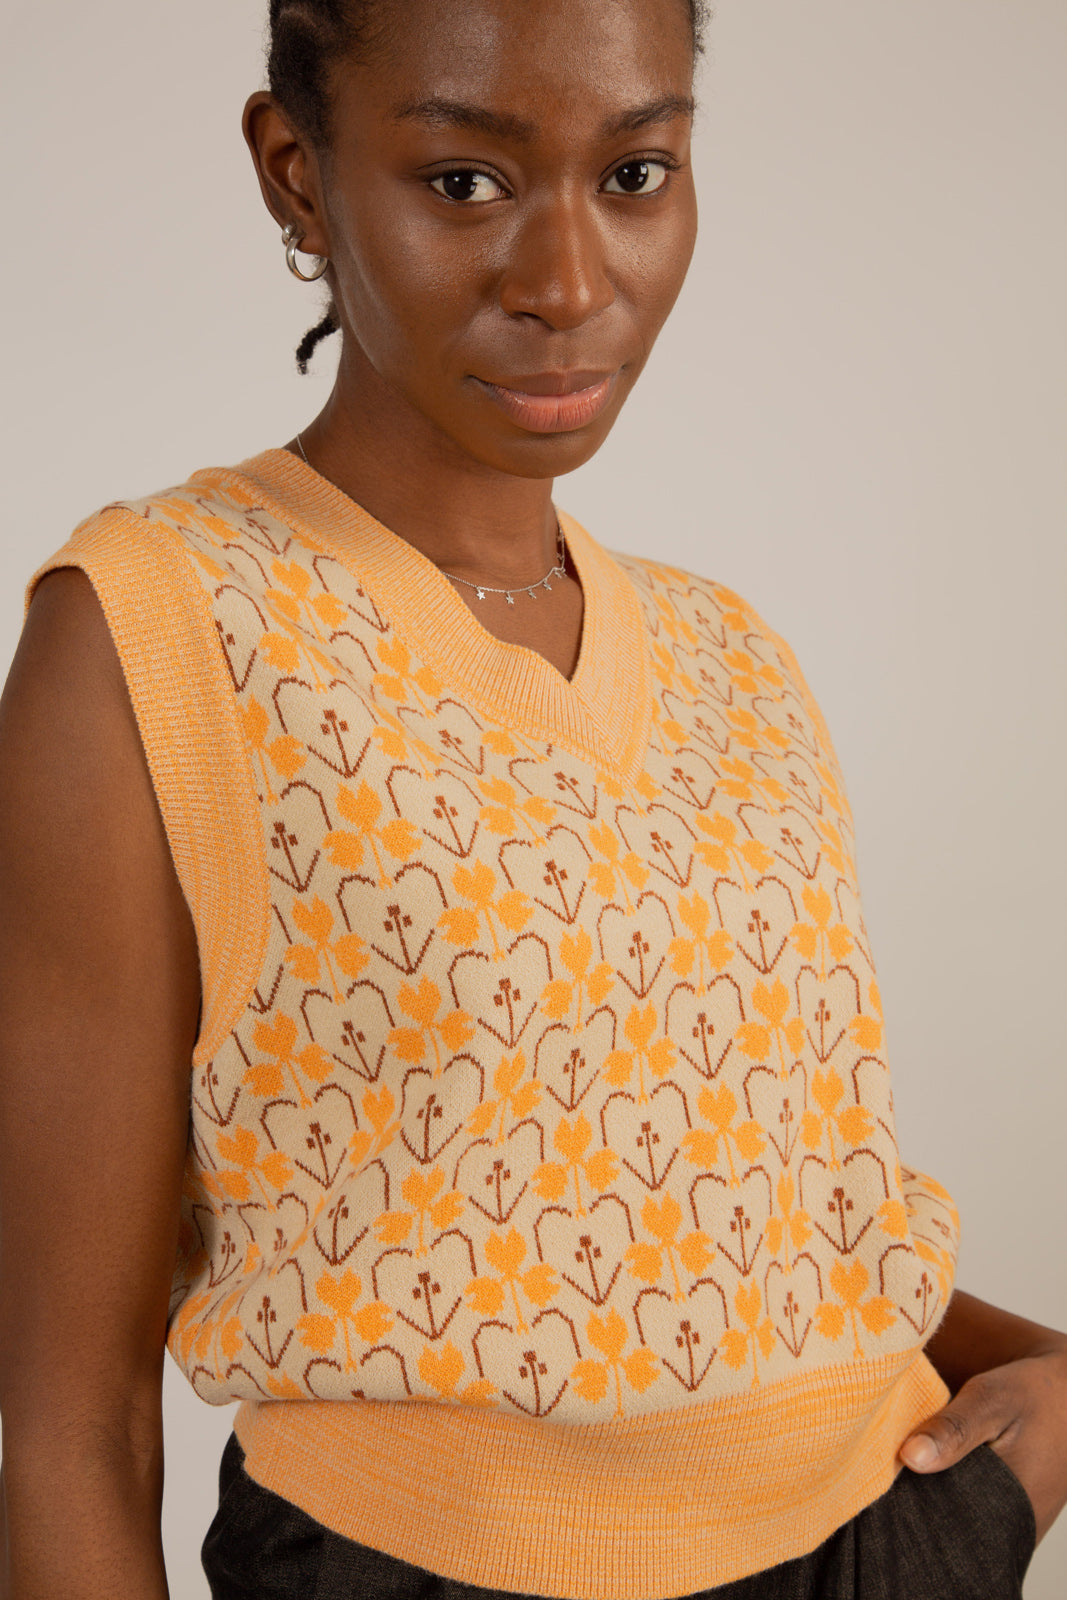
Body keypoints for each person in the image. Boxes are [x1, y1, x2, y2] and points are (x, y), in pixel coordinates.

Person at [0, 0, 1064, 1596]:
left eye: (635, 174)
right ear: (297, 173)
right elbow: (69, 1422)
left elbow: (767, 1227)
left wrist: (1049, 1400)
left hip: (883, 1538)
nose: (569, 282)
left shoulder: (732, 653)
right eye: (465, 182)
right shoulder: (158, 631)